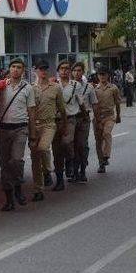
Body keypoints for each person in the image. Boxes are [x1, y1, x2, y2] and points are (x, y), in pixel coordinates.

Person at [0, 58, 35, 211]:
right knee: (4, 164)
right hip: (3, 129)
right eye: (13, 67)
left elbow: (31, 112)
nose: (15, 69)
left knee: (16, 160)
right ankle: (9, 198)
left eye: (19, 67)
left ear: (23, 71)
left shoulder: (27, 88)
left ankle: (18, 186)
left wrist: (33, 134)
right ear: (9, 69)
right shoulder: (2, 86)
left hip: (20, 128)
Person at [30, 60, 66, 202]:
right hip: (33, 125)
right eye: (40, 69)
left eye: (45, 69)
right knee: (34, 158)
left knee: (43, 148)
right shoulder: (30, 88)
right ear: (35, 71)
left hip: (49, 124)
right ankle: (38, 189)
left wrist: (64, 124)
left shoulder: (55, 88)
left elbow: (62, 108)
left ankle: (47, 170)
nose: (43, 72)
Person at [52, 60, 80, 191]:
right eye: (62, 68)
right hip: (55, 120)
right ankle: (59, 180)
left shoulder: (76, 85)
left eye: (67, 68)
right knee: (57, 151)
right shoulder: (52, 84)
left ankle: (70, 160)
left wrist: (85, 115)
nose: (64, 71)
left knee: (66, 142)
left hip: (69, 119)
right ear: (58, 71)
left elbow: (81, 102)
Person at [71, 62, 98, 183]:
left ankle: (82, 169)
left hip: (84, 119)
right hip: (71, 118)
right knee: (71, 145)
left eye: (79, 70)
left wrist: (97, 119)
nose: (77, 73)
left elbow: (94, 104)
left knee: (82, 145)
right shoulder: (68, 86)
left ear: (82, 72)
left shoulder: (89, 87)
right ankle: (73, 170)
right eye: (75, 70)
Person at [94, 68, 121, 173]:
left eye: (104, 74)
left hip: (109, 116)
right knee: (98, 141)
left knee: (106, 133)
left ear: (108, 75)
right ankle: (101, 163)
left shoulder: (113, 88)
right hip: (97, 117)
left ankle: (106, 156)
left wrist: (118, 115)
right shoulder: (94, 89)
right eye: (100, 74)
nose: (102, 76)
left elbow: (117, 103)